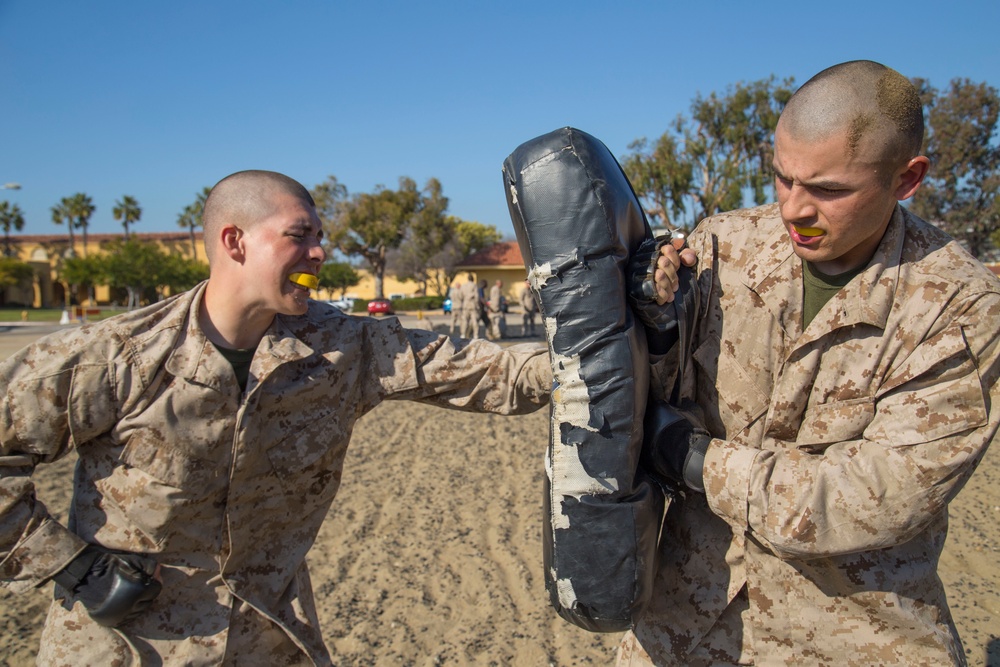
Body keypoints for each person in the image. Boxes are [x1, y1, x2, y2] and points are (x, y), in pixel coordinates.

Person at [0, 170, 553, 665]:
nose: (318, 253)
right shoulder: (116, 356)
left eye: (319, 238)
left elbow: (489, 371)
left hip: (267, 638)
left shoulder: (343, 348)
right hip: (123, 645)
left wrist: (599, 350)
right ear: (234, 241)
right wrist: (70, 566)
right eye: (299, 235)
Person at [621, 60, 1000, 666]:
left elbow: (880, 496)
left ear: (907, 179)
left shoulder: (957, 305)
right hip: (682, 623)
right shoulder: (726, 244)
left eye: (828, 190)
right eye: (781, 178)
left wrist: (697, 462)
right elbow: (648, 392)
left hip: (852, 637)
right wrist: (656, 329)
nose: (793, 209)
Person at [456, 273, 480, 339]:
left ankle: (463, 334)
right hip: (472, 304)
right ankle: (476, 335)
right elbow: (477, 296)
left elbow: (460, 295)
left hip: (465, 305)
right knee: (474, 320)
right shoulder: (474, 285)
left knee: (465, 320)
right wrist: (477, 305)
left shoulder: (463, 286)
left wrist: (463, 300)